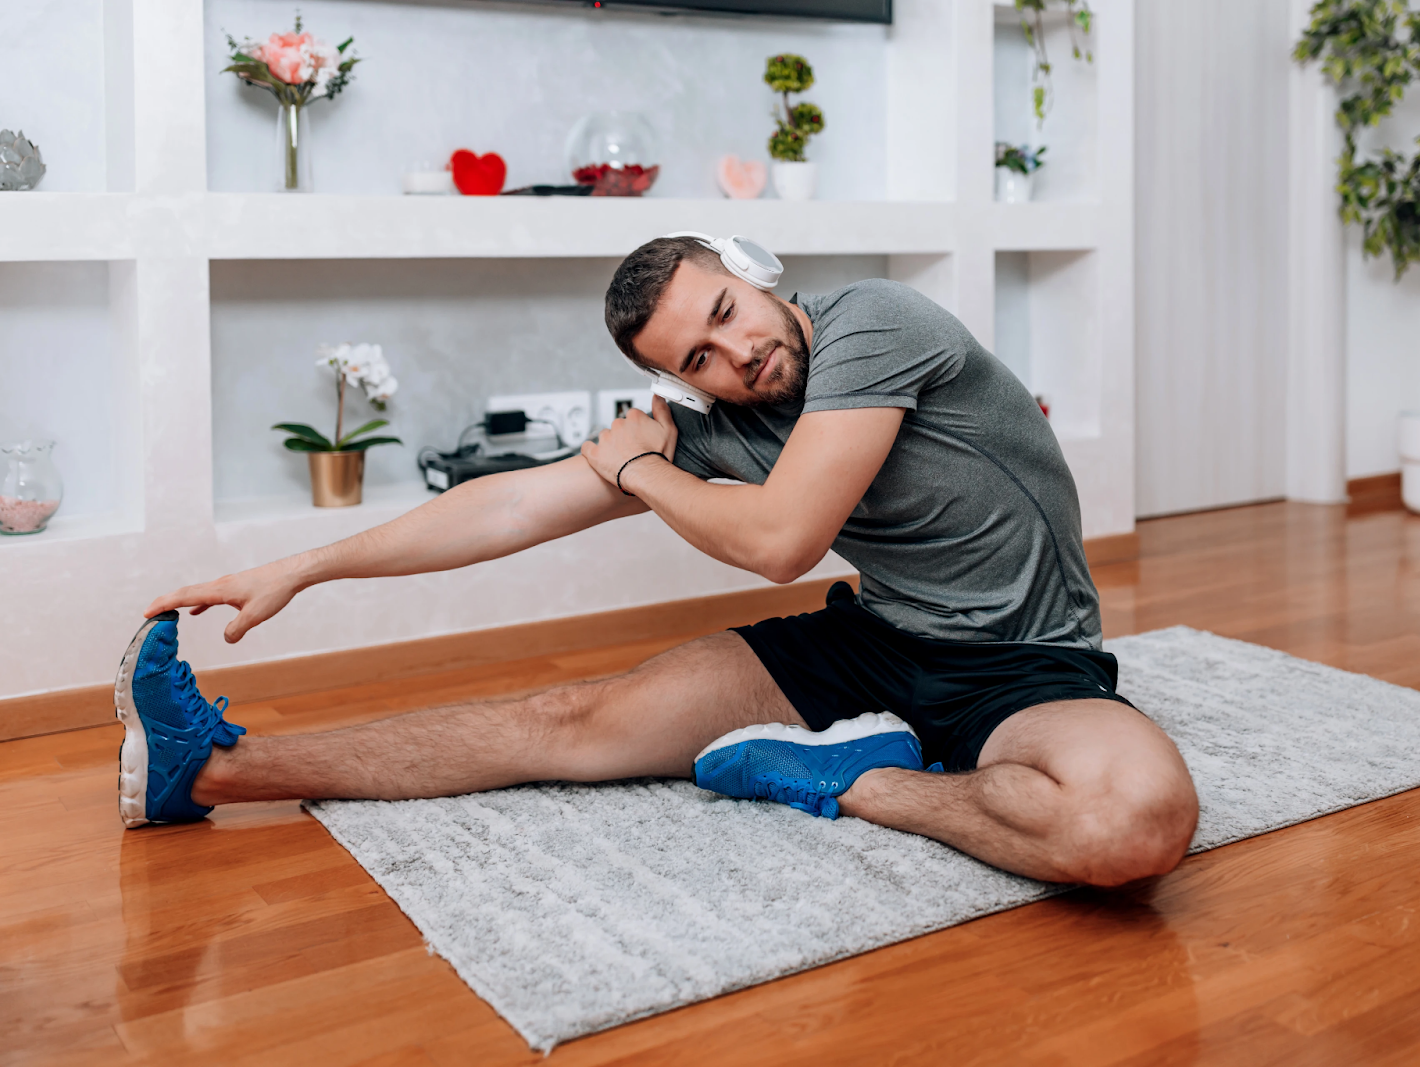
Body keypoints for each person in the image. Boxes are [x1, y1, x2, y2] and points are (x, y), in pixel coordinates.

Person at [119, 235, 1198, 886]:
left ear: (753, 273)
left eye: (728, 314)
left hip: (1023, 663)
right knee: (567, 722)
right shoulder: (714, 421)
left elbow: (781, 541)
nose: (737, 356)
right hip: (871, 640)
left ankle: (859, 779)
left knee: (1132, 823)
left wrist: (641, 472)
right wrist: (304, 566)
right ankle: (205, 767)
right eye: (698, 359)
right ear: (682, 378)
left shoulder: (876, 321)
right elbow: (509, 507)